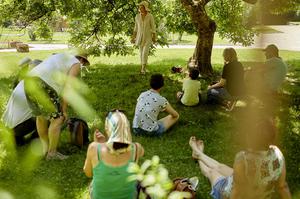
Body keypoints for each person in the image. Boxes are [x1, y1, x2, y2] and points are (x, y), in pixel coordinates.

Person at [2, 52, 90, 160]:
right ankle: (52, 153)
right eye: (84, 63)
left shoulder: (58, 57)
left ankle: (45, 149)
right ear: (81, 60)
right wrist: (64, 109)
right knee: (58, 119)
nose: (83, 65)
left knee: (41, 116)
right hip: (42, 84)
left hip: (29, 82)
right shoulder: (76, 63)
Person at [189, 119, 291, 199]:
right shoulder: (277, 153)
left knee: (211, 172)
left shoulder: (243, 159)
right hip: (251, 186)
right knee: (220, 166)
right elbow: (283, 187)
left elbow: (236, 192)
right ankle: (199, 154)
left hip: (230, 193)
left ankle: (198, 155)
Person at [83, 110, 144, 199]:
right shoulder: (136, 148)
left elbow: (88, 173)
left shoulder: (94, 148)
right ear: (127, 128)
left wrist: (99, 144)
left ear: (108, 128)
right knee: (138, 179)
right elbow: (132, 149)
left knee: (92, 183)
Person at [131, 1, 156, 74]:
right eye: (139, 7)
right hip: (140, 37)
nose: (140, 8)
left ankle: (143, 69)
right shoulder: (137, 16)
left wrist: (154, 37)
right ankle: (143, 68)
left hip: (148, 37)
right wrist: (133, 37)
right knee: (141, 53)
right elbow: (135, 28)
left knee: (145, 53)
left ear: (145, 8)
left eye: (142, 7)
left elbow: (153, 27)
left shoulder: (150, 16)